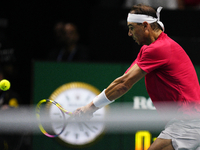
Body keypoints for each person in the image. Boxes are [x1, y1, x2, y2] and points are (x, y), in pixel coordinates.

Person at [74, 4, 200, 150]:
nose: (129, 33)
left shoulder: (159, 49)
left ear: (146, 26)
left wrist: (90, 107)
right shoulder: (151, 48)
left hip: (188, 121)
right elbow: (124, 79)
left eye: (132, 27)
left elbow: (123, 84)